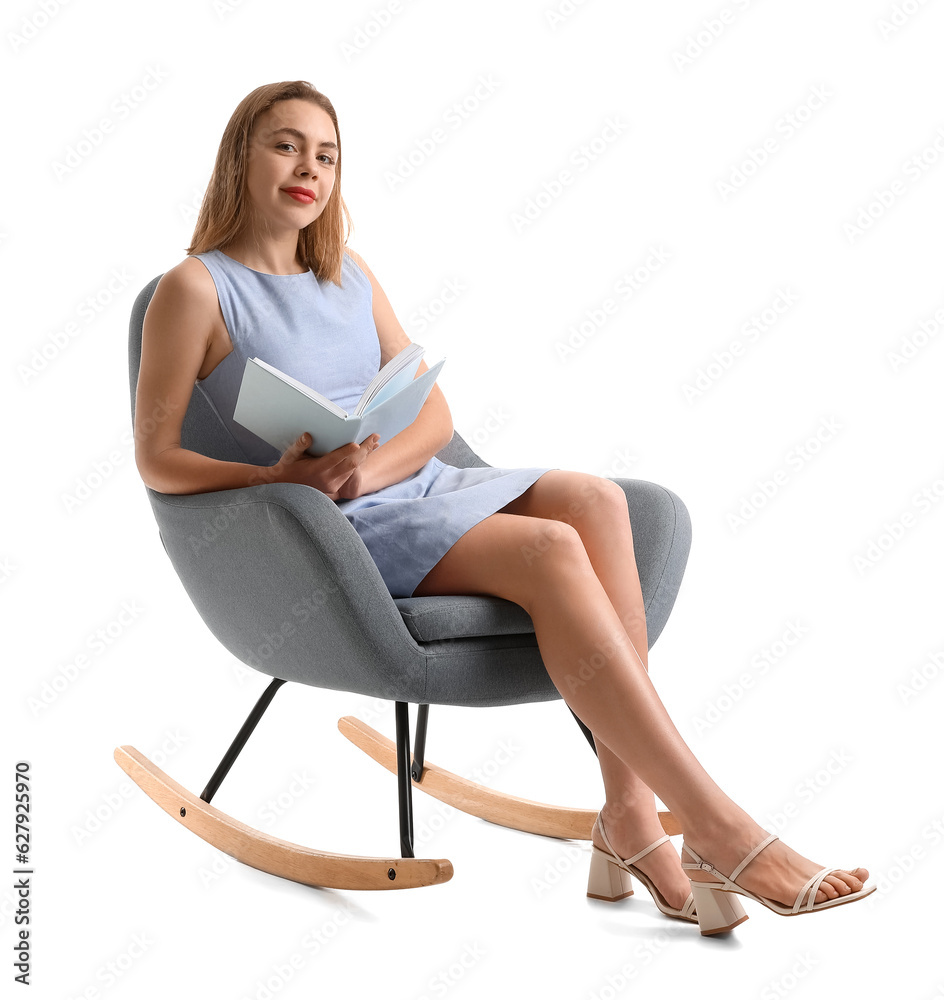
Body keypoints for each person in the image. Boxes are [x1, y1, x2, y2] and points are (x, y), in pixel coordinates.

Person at [133, 80, 874, 934]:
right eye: (287, 145)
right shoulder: (194, 289)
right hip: (321, 534)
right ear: (242, 158)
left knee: (596, 499)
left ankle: (628, 815)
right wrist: (287, 486)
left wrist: (370, 470)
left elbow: (434, 415)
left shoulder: (349, 274)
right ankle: (721, 829)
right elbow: (158, 457)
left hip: (391, 488)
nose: (310, 168)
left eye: (327, 154)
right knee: (552, 548)